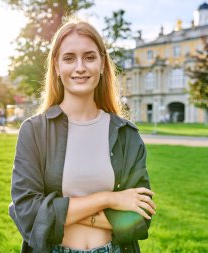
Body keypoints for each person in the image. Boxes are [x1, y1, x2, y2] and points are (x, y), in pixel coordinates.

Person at [9, 19, 156, 253]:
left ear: (102, 64)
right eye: (69, 58)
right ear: (56, 66)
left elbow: (140, 218)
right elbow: (29, 214)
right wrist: (108, 199)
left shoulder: (127, 135)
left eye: (89, 57)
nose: (80, 67)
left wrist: (56, 213)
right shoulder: (35, 131)